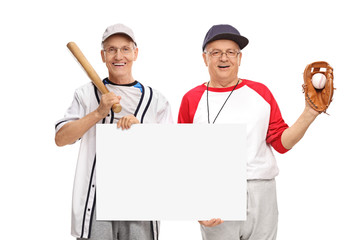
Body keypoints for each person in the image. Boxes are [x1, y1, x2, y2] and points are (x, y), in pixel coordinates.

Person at [178, 24, 320, 240]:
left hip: (261, 191)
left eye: (230, 52)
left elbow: (281, 144)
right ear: (205, 58)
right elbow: (183, 156)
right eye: (216, 52)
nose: (223, 58)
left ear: (240, 57)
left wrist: (309, 113)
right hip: (216, 190)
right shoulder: (192, 98)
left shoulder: (260, 92)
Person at [55, 23, 173, 240]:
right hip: (96, 199)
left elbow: (172, 156)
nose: (119, 55)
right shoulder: (86, 94)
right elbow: (61, 139)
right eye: (111, 49)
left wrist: (144, 133)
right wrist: (98, 112)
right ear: (103, 55)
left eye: (125, 49)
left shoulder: (156, 100)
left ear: (135, 53)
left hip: (142, 199)